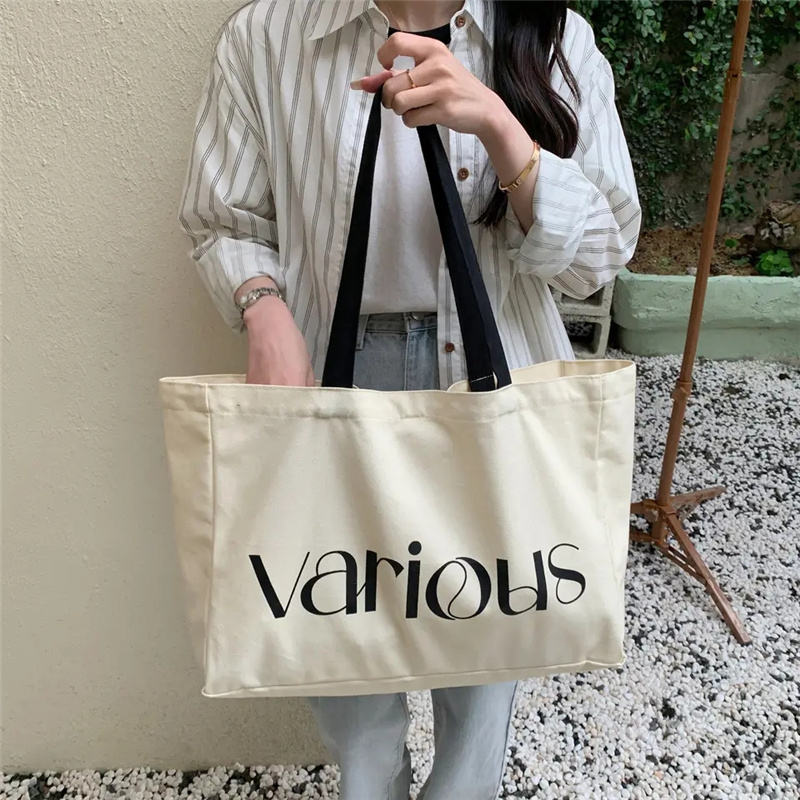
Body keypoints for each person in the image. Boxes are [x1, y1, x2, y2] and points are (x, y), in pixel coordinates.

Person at [176, 1, 641, 797]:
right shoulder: (270, 36)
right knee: (336, 653)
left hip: (494, 383)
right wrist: (263, 307)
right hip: (331, 380)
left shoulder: (549, 33)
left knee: (488, 655)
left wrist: (501, 130)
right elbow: (223, 220)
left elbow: (599, 255)